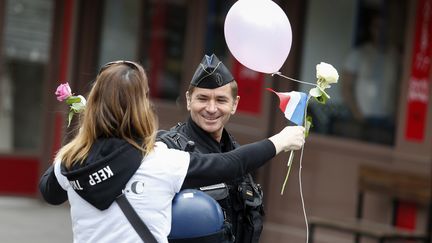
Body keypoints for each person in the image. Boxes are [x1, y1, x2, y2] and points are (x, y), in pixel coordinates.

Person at [39, 60, 305, 243]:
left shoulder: (68, 162)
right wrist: (280, 141)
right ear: (142, 107)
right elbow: (228, 164)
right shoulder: (159, 160)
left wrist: (84, 134)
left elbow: (50, 193)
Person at [157, 54, 261, 243]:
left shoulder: (237, 152)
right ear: (189, 100)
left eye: (221, 100)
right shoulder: (166, 150)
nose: (211, 108)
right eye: (203, 98)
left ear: (234, 104)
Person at [341, 9, 399, 143]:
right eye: (377, 26)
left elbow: (400, 87)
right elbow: (346, 88)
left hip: (389, 119)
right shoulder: (358, 54)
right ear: (371, 29)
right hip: (363, 119)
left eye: (384, 27)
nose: (381, 31)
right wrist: (357, 114)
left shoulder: (395, 56)